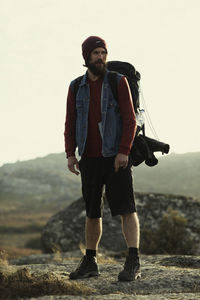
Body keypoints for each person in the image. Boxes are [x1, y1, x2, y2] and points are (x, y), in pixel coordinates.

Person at [64, 36, 141, 281]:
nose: (100, 57)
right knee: (91, 211)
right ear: (86, 57)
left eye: (103, 53)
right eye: (95, 53)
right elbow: (70, 122)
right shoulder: (76, 86)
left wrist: (124, 151)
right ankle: (90, 261)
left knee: (127, 209)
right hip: (88, 156)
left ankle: (133, 261)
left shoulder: (118, 82)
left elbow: (130, 121)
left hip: (115, 157)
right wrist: (70, 153)